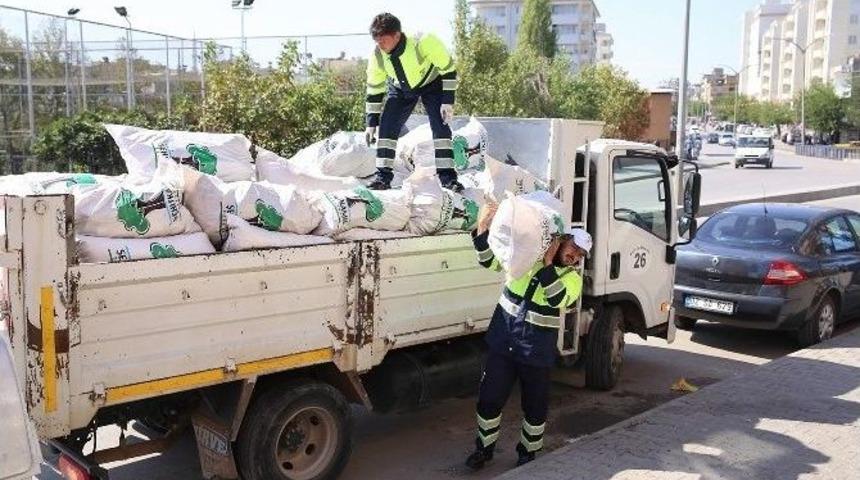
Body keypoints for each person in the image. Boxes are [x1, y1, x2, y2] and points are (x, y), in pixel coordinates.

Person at [465, 203, 591, 469]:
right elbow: (490, 261)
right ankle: (483, 450)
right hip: (504, 343)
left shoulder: (573, 279)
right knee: (489, 400)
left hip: (535, 352)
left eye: (580, 254)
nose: (575, 257)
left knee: (534, 408)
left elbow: (557, 298)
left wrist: (548, 263)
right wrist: (482, 229)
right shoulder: (525, 258)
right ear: (561, 241)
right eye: (573, 249)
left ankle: (527, 454)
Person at [363, 12, 462, 192]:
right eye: (376, 41)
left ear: (397, 35)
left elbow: (448, 70)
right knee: (386, 127)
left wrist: (447, 101)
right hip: (400, 89)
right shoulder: (377, 55)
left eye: (383, 40)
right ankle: (382, 178)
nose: (380, 45)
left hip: (432, 84)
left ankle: (448, 178)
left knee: (440, 127)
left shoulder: (423, 41)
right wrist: (371, 122)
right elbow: (374, 89)